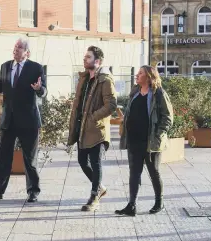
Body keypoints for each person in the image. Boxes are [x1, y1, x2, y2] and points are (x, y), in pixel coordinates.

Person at [0, 38, 46, 202]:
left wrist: (39, 89)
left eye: (19, 47)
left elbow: (43, 91)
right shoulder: (5, 66)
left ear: (27, 52)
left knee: (30, 159)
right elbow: (0, 87)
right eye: (15, 47)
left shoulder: (36, 68)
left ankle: (33, 191)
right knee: (3, 158)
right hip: (8, 120)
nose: (16, 49)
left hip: (28, 121)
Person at [116, 65, 173, 217]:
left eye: (140, 73)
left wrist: (158, 135)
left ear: (148, 77)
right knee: (134, 173)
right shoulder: (135, 91)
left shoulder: (158, 93)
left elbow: (168, 117)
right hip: (133, 139)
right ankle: (131, 205)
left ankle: (159, 202)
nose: (137, 75)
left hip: (150, 141)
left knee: (153, 172)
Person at [67, 46, 117, 211]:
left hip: (96, 129)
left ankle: (94, 196)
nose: (84, 59)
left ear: (98, 61)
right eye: (85, 57)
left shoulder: (105, 80)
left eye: (88, 57)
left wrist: (93, 117)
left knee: (95, 162)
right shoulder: (84, 78)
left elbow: (111, 105)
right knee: (82, 161)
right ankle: (100, 188)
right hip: (83, 128)